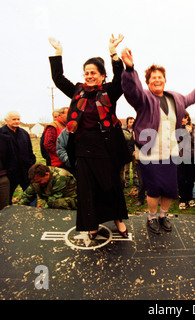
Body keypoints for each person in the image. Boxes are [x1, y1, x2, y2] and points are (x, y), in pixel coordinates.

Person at [120, 47, 195, 234]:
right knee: (154, 188)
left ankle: (163, 215)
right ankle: (151, 217)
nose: (157, 79)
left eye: (160, 76)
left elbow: (190, 98)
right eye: (152, 77)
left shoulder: (175, 98)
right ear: (147, 82)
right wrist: (129, 69)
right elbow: (131, 91)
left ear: (165, 79)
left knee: (170, 188)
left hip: (171, 151)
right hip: (150, 152)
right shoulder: (143, 98)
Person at [48, 34, 130, 239]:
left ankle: (117, 219)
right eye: (86, 73)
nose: (89, 76)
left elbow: (120, 78)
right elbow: (58, 79)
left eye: (93, 72)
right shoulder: (77, 91)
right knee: (87, 189)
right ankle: (91, 224)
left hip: (106, 146)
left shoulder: (110, 91)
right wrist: (58, 54)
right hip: (83, 148)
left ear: (102, 75)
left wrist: (113, 53)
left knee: (111, 185)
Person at [0, 111, 36, 204]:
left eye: (18, 119)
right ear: (6, 120)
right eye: (14, 119)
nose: (17, 121)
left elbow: (30, 151)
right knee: (7, 198)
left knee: (31, 195)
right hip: (9, 173)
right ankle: (8, 215)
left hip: (25, 172)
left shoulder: (24, 133)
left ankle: (33, 214)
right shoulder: (1, 134)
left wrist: (31, 163)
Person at [177, 111, 195, 210]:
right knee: (181, 179)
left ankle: (190, 198)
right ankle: (182, 200)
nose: (182, 119)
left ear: (187, 118)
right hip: (179, 157)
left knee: (191, 178)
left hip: (191, 157)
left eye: (184, 117)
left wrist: (190, 133)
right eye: (180, 117)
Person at [0, 133, 17, 210]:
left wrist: (8, 174)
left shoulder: (5, 138)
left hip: (2, 178)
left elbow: (12, 157)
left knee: (4, 208)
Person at [121, 116, 135, 188]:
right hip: (126, 152)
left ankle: (135, 181)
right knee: (126, 168)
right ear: (127, 123)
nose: (132, 123)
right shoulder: (124, 131)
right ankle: (126, 182)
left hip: (134, 151)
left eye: (133, 122)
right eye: (130, 122)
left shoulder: (136, 131)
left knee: (135, 168)